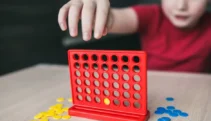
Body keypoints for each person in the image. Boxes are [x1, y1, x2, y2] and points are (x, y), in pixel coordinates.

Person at [58, 0, 211, 73]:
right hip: (152, 92)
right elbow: (115, 18)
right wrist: (98, 12)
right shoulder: (151, 15)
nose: (181, 6)